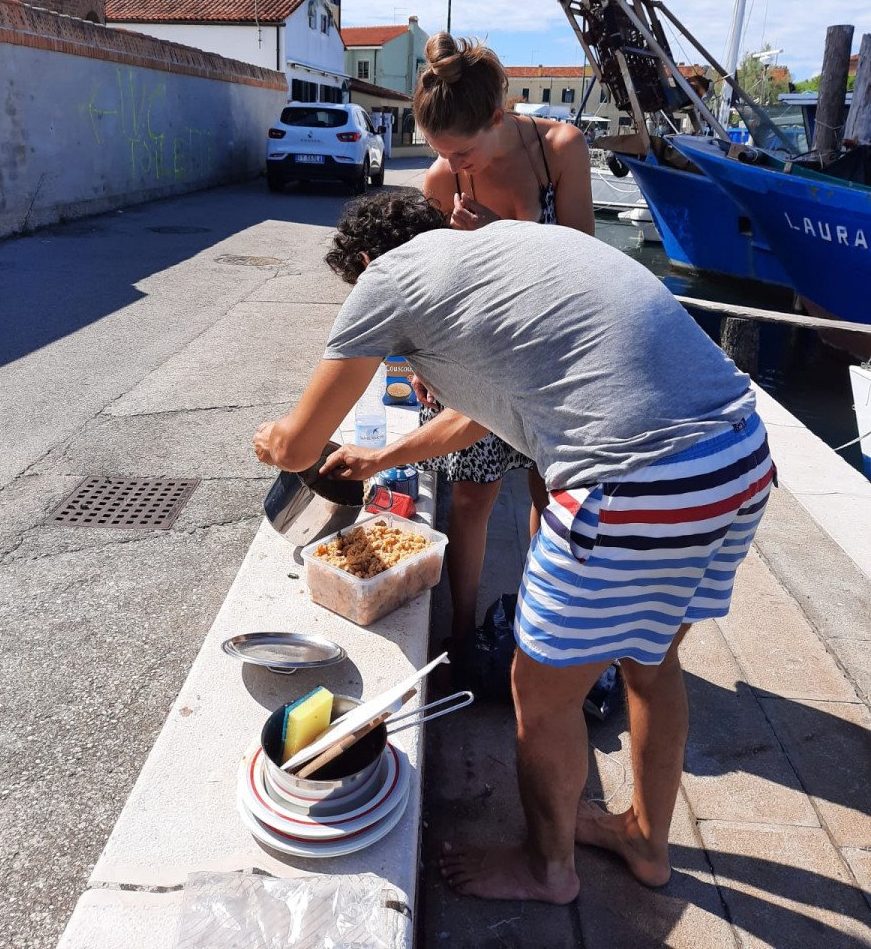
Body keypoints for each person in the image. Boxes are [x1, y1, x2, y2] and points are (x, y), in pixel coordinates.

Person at [253, 192, 774, 905]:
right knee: (650, 663)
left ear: (365, 262)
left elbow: (302, 443)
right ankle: (645, 844)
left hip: (629, 485)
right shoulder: (504, 252)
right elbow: (477, 412)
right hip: (737, 459)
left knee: (540, 689)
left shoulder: (388, 277)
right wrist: (386, 457)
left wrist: (274, 439)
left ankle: (546, 868)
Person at [412, 33, 594, 649]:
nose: (456, 168)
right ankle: (461, 635)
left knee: (553, 494)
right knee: (470, 500)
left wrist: (498, 237)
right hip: (481, 362)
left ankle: (539, 624)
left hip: (554, 359)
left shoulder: (560, 150)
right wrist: (425, 362)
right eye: (441, 154)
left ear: (498, 117)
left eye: (463, 152)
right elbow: (436, 289)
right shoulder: (443, 180)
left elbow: (584, 267)